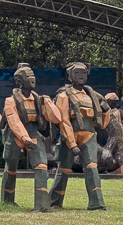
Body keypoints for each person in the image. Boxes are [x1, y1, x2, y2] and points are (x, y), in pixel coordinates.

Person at [48, 62, 112, 211]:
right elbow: (63, 120)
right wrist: (71, 143)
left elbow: (102, 124)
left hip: (89, 135)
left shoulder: (92, 96)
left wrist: (105, 110)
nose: (81, 75)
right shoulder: (63, 96)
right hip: (70, 135)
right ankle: (54, 200)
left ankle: (97, 203)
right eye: (77, 73)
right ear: (70, 76)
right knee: (63, 168)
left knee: (92, 167)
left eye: (83, 72)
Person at [1, 64, 59, 211]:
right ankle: (7, 200)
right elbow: (14, 121)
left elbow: (56, 118)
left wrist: (49, 103)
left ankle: (41, 205)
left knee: (41, 166)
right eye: (28, 76)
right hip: (15, 137)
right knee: (11, 169)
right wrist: (24, 139)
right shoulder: (10, 100)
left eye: (33, 75)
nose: (32, 79)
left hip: (34, 136)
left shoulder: (39, 100)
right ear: (20, 82)